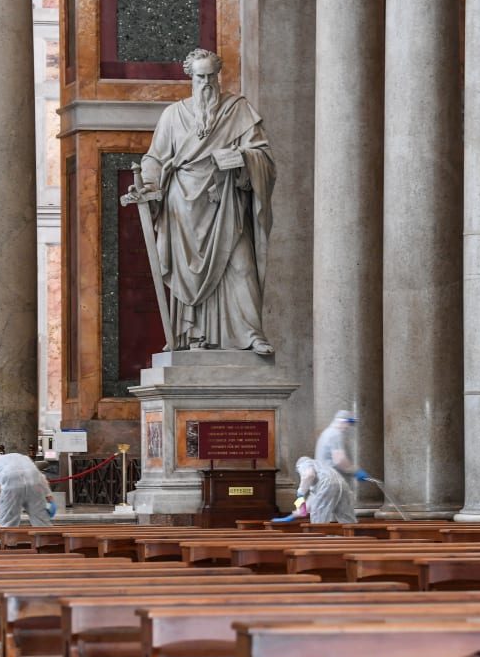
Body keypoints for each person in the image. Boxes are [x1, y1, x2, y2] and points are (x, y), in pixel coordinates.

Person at [137, 48, 276, 354]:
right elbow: (154, 158)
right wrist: (148, 187)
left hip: (225, 202)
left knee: (241, 266)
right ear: (191, 77)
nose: (207, 83)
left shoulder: (238, 110)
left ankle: (252, 333)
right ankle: (193, 336)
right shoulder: (173, 115)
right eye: (200, 77)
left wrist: (241, 158)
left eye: (212, 75)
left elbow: (263, 156)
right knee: (188, 276)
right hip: (183, 208)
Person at [291, 410, 370, 524]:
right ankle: (350, 539)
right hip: (340, 482)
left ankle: (322, 541)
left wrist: (300, 493)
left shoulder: (305, 463)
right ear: (342, 422)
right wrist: (355, 470)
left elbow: (310, 476)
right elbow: (339, 460)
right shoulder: (334, 434)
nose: (348, 427)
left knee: (320, 521)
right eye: (349, 423)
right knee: (347, 520)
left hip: (329, 482)